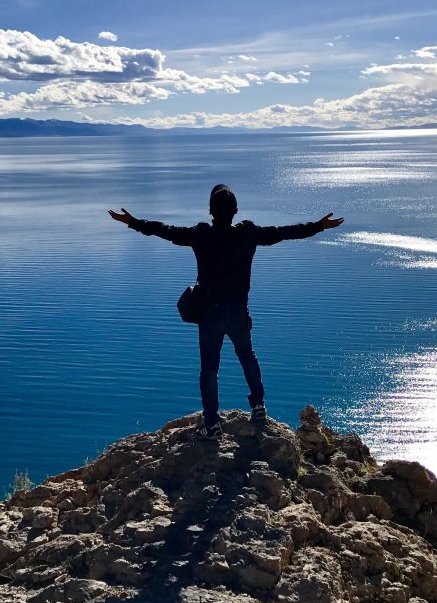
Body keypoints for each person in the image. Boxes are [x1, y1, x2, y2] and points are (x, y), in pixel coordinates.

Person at [108, 184, 343, 440]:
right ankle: (258, 407)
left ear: (210, 210)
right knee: (247, 356)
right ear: (236, 211)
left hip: (209, 314)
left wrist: (132, 221)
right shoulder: (247, 234)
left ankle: (212, 423)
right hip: (238, 311)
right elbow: (284, 233)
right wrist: (318, 226)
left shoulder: (201, 235)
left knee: (209, 369)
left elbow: (165, 231)